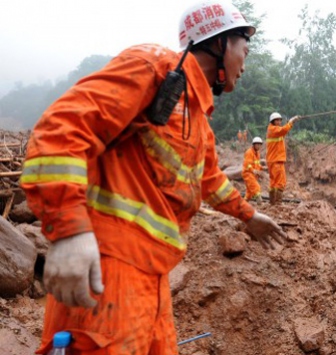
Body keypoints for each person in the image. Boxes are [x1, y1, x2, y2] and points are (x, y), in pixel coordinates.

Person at [19, 2, 287, 354]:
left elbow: (211, 182)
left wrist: (250, 216)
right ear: (219, 43)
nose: (245, 64)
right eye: (244, 50)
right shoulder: (153, 69)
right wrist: (69, 231)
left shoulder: (197, 120)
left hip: (154, 278)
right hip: (109, 269)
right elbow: (60, 130)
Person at [266, 112, 300, 204]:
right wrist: (291, 121)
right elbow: (283, 130)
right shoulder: (274, 130)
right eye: (277, 120)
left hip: (272, 160)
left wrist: (290, 123)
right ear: (272, 121)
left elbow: (283, 131)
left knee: (273, 183)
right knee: (280, 182)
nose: (279, 122)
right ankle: (278, 203)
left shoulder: (272, 129)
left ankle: (272, 203)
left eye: (280, 120)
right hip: (276, 160)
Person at [243, 137, 264, 202]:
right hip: (248, 174)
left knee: (249, 193)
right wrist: (253, 170)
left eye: (260, 145)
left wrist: (262, 168)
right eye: (257, 144)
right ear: (254, 144)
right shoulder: (249, 152)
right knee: (256, 187)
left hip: (253, 174)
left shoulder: (257, 153)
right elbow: (248, 164)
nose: (259, 146)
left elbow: (257, 164)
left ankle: (243, 203)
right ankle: (259, 202)